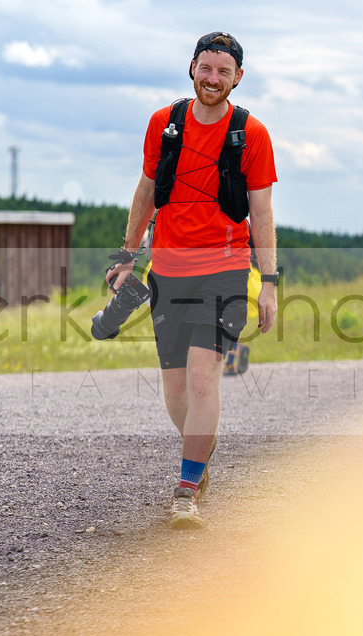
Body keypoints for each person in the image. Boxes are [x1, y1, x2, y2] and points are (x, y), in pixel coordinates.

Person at [105, 31, 279, 529]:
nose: (213, 79)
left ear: (238, 78)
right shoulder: (164, 124)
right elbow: (145, 192)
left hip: (224, 271)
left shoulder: (252, 134)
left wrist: (268, 282)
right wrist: (128, 257)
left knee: (204, 378)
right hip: (167, 271)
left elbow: (262, 212)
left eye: (224, 72)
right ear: (192, 68)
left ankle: (186, 490)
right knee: (175, 388)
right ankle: (199, 454)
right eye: (206, 68)